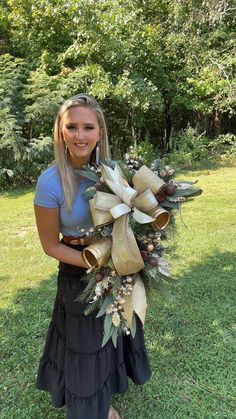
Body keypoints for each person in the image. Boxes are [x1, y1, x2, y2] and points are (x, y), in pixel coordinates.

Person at [34, 93, 151, 419]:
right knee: (86, 344)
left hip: (119, 263)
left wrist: (142, 241)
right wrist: (99, 263)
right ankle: (90, 407)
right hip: (79, 271)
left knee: (111, 335)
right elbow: (50, 245)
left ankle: (104, 395)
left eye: (88, 127)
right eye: (72, 126)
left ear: (100, 131)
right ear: (60, 132)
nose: (80, 135)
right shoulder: (50, 182)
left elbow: (130, 216)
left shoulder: (113, 171)